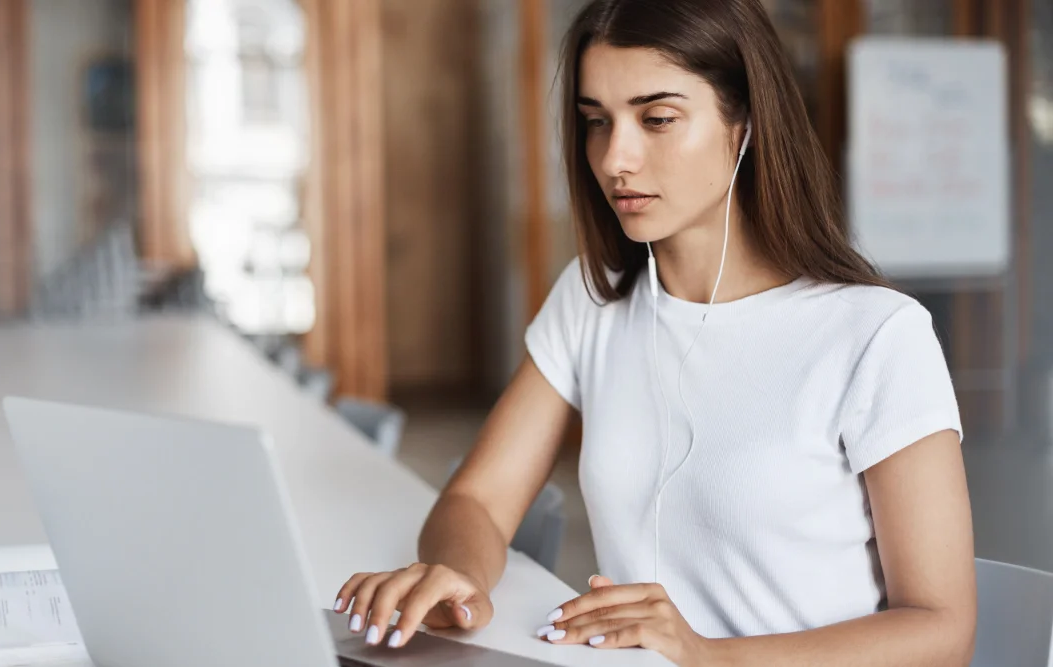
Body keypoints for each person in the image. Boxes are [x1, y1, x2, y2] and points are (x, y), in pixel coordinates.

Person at [333, 0, 977, 663]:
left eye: (657, 119)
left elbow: (941, 629)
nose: (616, 158)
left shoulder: (876, 335)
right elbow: (477, 498)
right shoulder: (594, 300)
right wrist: (459, 576)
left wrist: (705, 654)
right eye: (595, 122)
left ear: (745, 122)